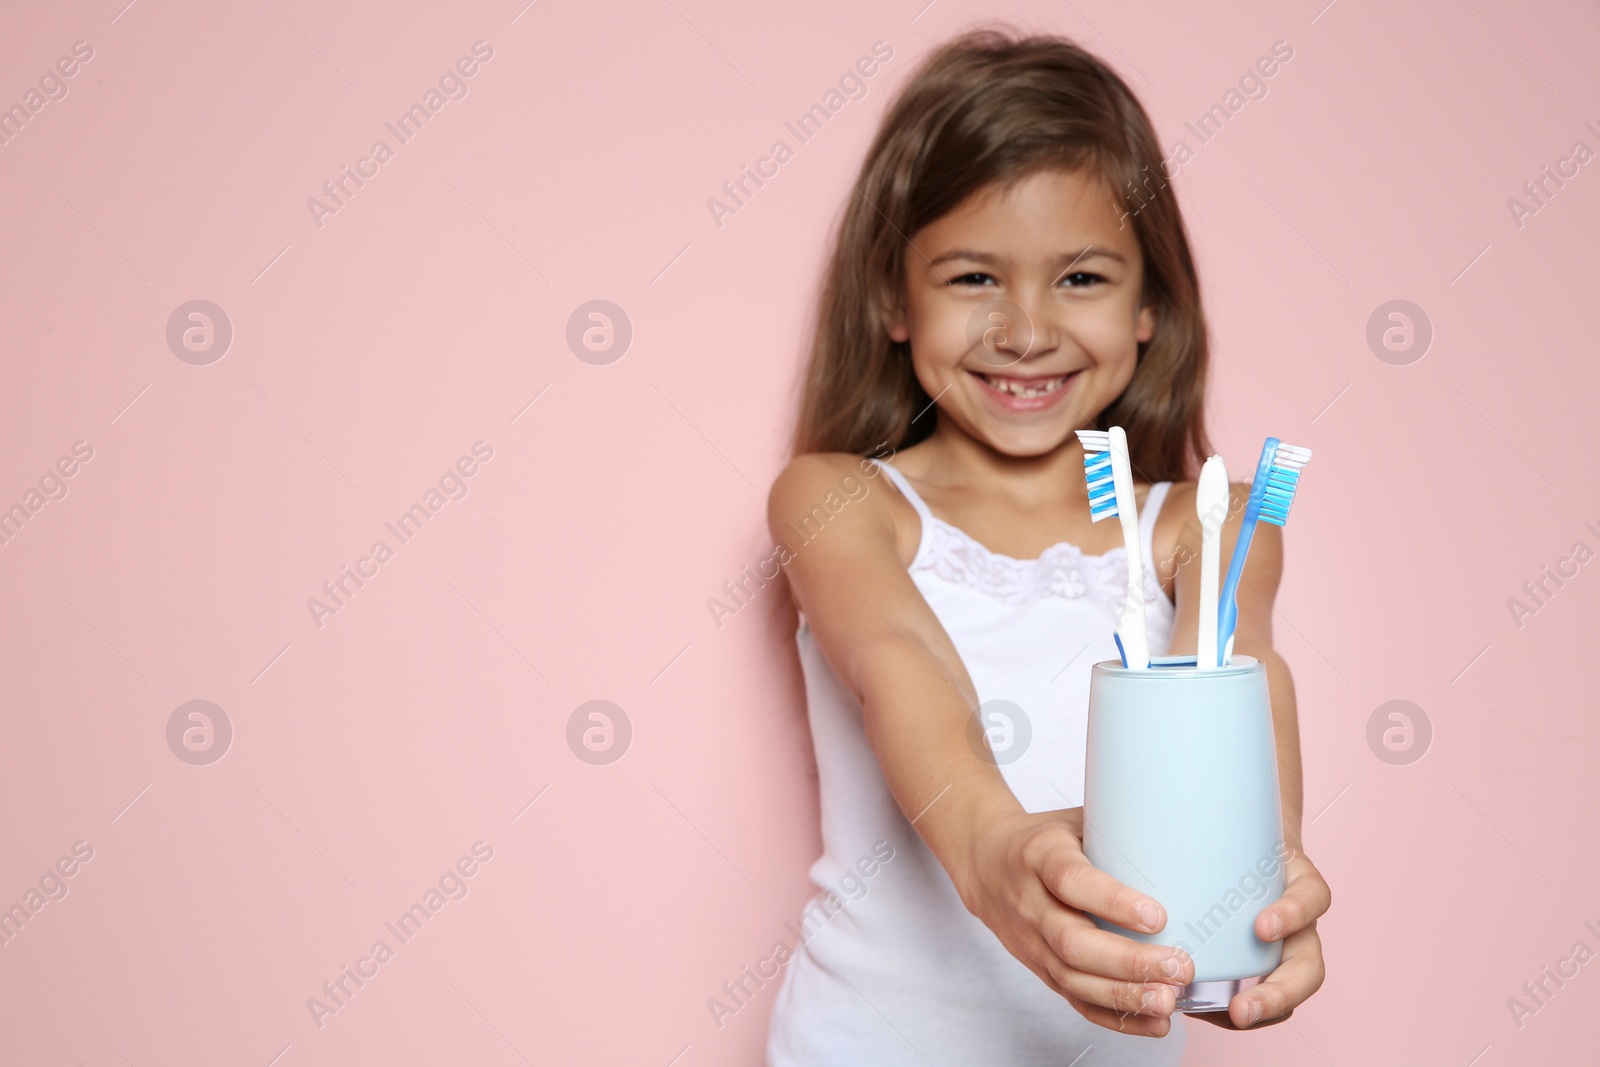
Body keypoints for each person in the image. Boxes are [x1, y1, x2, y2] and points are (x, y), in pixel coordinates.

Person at [764, 27, 1331, 1065]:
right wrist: (995, 853)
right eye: (973, 277)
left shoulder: (1204, 522)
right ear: (893, 297)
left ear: (1151, 304)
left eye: (1080, 279)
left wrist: (1269, 863)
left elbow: (1243, 670)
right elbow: (902, 665)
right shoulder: (841, 498)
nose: (1025, 330)